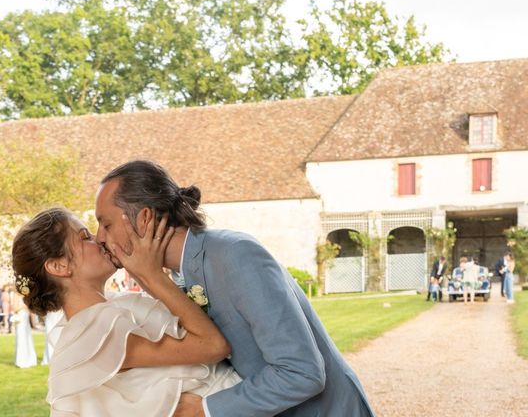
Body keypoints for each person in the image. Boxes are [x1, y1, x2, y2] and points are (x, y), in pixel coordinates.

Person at [95, 160, 374, 417]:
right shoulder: (176, 277)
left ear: (144, 218)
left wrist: (204, 409)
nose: (99, 238)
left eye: (105, 224)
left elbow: (302, 373)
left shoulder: (235, 255)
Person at [12, 207, 238, 416]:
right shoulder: (97, 333)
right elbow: (214, 346)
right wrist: (151, 274)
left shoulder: (112, 309)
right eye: (84, 237)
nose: (100, 239)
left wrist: (143, 270)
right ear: (59, 266)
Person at [10, 290, 37, 368]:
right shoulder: (16, 295)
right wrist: (23, 306)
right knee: (21, 339)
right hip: (20, 319)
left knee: (27, 338)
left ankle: (30, 359)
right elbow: (14, 308)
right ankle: (21, 360)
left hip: (25, 319)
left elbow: (31, 309)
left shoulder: (27, 295)